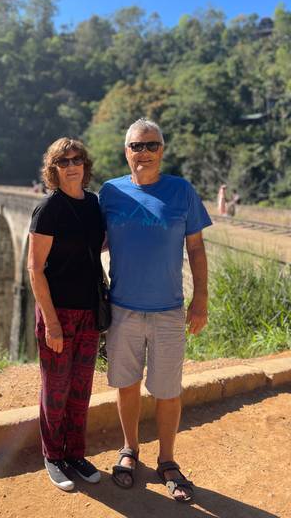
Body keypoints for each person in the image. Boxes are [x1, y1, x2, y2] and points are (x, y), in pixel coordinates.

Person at [99, 118, 212, 503]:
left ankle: (167, 460)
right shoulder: (110, 192)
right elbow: (89, 242)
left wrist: (201, 300)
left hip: (168, 311)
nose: (143, 152)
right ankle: (130, 449)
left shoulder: (181, 191)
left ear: (162, 150)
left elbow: (195, 249)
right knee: (126, 384)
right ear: (125, 152)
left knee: (167, 391)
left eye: (151, 145)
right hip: (122, 310)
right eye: (136, 146)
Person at [27, 137, 105, 492]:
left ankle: (75, 453)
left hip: (88, 313)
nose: (71, 165)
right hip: (57, 314)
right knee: (55, 389)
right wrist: (52, 323)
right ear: (54, 169)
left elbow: (99, 244)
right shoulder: (48, 210)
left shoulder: (94, 205)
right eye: (63, 161)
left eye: (76, 159)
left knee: (80, 389)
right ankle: (52, 456)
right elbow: (35, 270)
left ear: (85, 165)